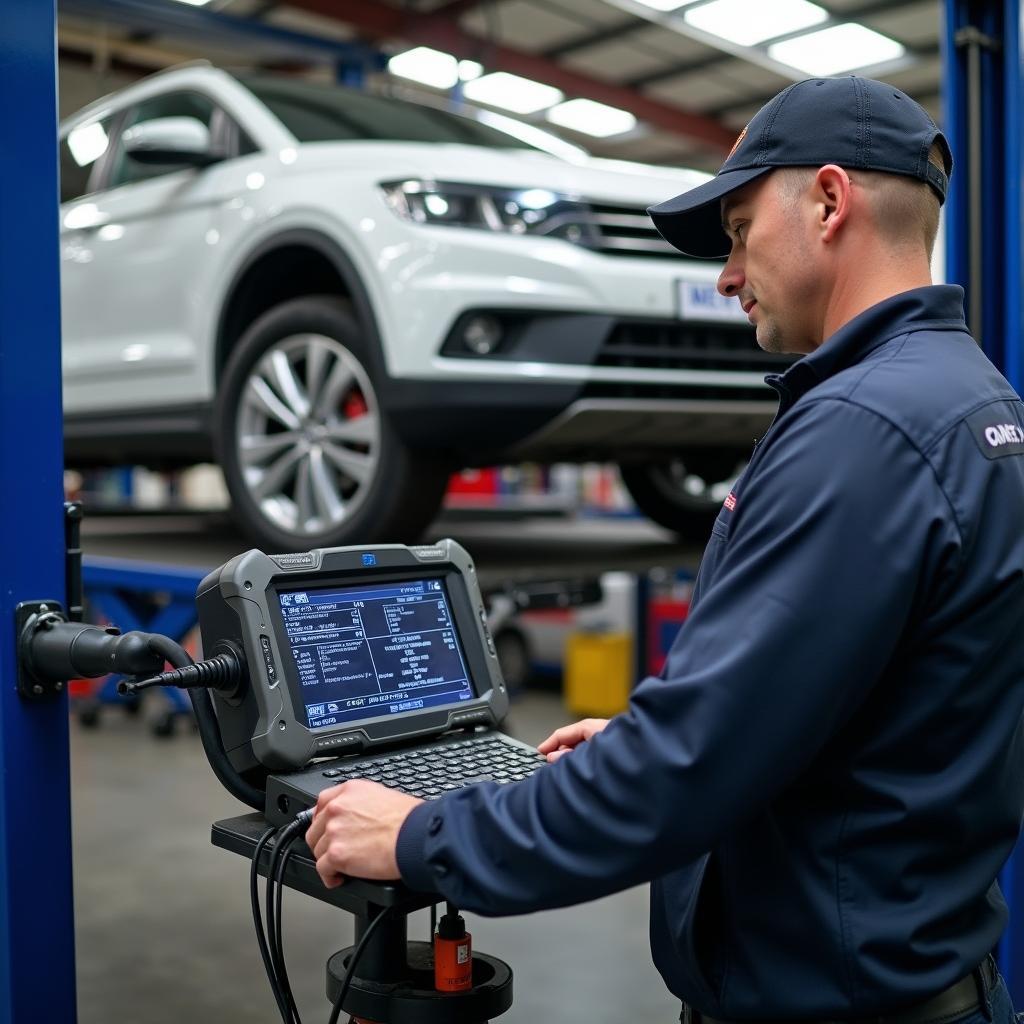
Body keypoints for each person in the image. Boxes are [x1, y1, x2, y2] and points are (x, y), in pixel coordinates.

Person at [305, 76, 1024, 1023]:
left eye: (735, 233)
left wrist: (421, 835)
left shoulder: (863, 430)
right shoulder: (971, 400)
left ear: (830, 200)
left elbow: (676, 777)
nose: (727, 276)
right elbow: (886, 713)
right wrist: (701, 743)